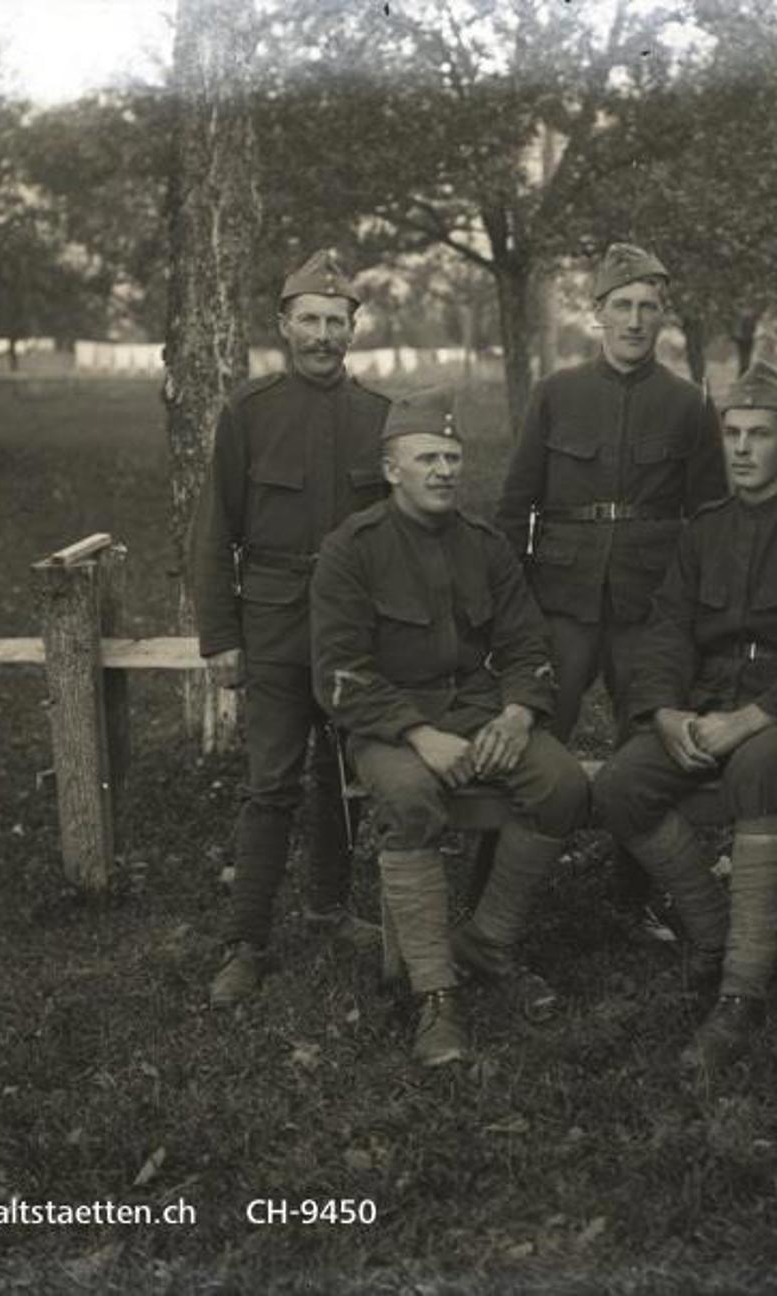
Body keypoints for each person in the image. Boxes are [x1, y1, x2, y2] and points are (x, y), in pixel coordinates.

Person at [592, 361, 777, 1069]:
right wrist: (665, 713)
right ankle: (715, 932)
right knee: (620, 785)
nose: (744, 449)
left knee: (756, 769)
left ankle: (743, 991)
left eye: (761, 434)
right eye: (733, 434)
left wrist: (749, 720)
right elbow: (666, 630)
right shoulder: (703, 532)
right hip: (705, 707)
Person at [312, 387, 590, 1068]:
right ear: (391, 470)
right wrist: (417, 734)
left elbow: (526, 643)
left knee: (561, 784)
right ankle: (435, 993)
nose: (444, 471)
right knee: (411, 799)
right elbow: (340, 671)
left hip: (477, 708)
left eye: (452, 457)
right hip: (387, 721)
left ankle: (486, 941)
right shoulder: (352, 549)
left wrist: (518, 713)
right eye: (427, 458)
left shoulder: (484, 545)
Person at [493, 242, 726, 930]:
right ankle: (495, 889)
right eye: (621, 306)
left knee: (642, 744)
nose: (634, 320)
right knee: (533, 732)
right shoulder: (556, 394)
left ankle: (634, 895)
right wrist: (513, 602)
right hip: (561, 598)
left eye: (648, 308)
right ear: (597, 313)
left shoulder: (687, 404)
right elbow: (516, 505)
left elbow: (710, 519)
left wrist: (691, 611)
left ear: (662, 317)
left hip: (647, 604)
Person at [192, 249, 392, 1007]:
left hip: (353, 630)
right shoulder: (249, 412)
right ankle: (247, 941)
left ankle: (329, 908)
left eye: (336, 322)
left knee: (342, 774)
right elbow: (214, 531)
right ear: (283, 325)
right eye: (309, 320)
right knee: (270, 782)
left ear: (353, 330)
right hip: (274, 624)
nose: (322, 336)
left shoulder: (378, 417)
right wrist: (221, 637)